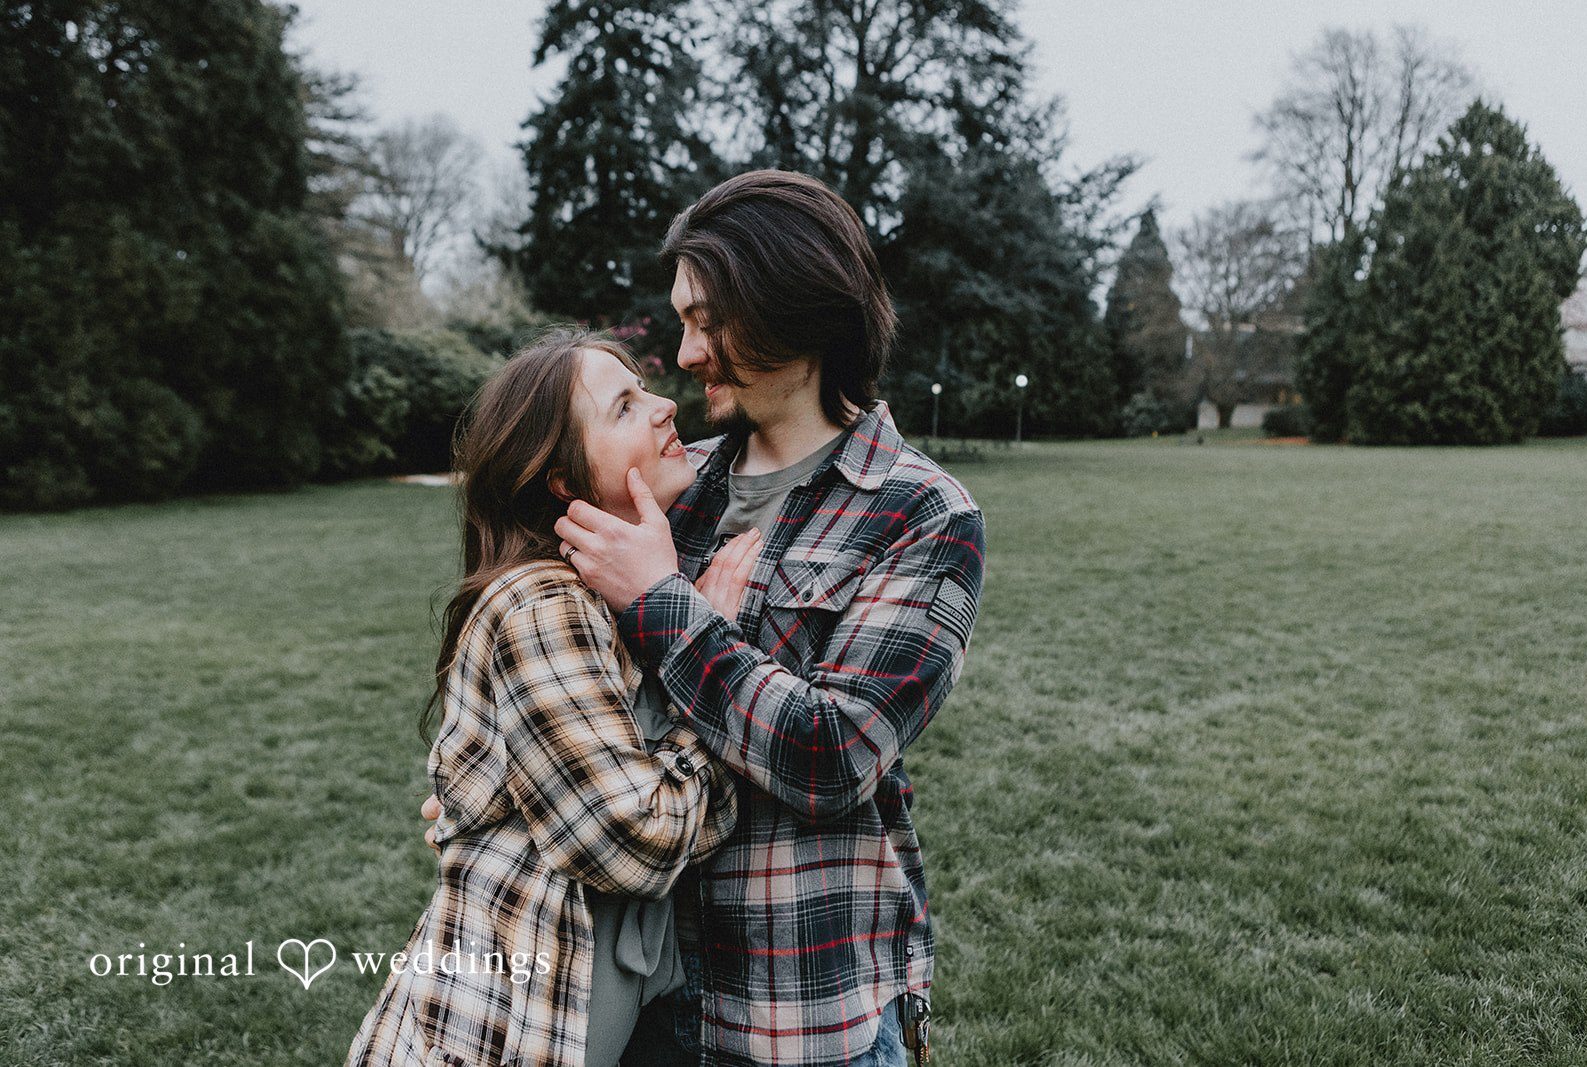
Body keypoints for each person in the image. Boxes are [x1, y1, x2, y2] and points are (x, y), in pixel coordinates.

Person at [427, 169, 986, 1067]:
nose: (684, 356)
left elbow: (829, 754)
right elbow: (561, 682)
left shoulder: (920, 514)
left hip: (798, 1018)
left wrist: (666, 607)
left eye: (705, 320)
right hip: (634, 1008)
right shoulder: (671, 487)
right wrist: (500, 795)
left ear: (795, 312)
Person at [348, 329, 755, 1067]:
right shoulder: (542, 607)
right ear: (563, 482)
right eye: (625, 406)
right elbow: (638, 838)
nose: (667, 405)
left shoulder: (601, 602)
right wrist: (713, 650)